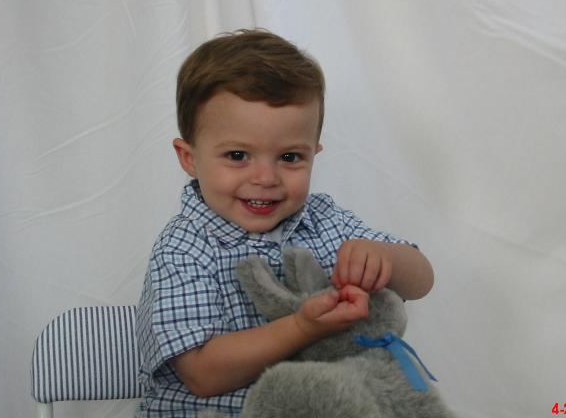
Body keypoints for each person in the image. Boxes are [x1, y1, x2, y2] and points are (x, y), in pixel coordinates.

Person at [135, 29, 434, 417]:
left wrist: (385, 258)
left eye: (290, 157)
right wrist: (302, 328)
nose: (266, 178)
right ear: (189, 158)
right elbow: (201, 374)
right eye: (238, 155)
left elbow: (421, 281)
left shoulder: (325, 220)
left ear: (314, 154)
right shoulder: (185, 247)